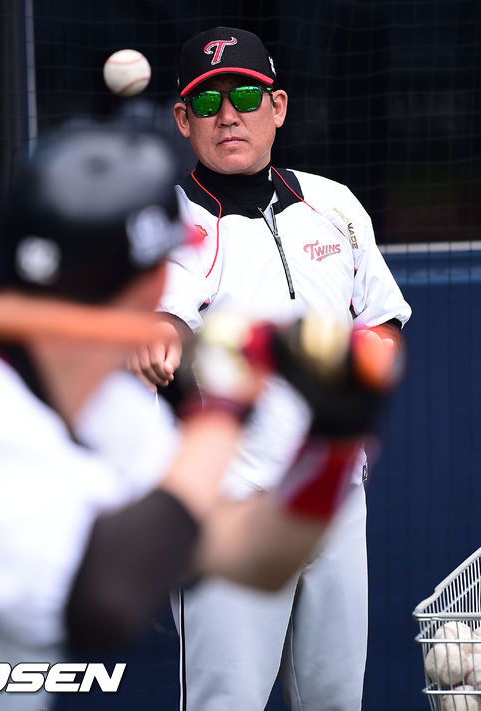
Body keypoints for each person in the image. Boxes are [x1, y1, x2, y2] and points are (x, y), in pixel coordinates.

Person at [0, 118, 402, 711]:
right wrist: (226, 408)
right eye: (155, 269)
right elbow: (104, 602)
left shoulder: (119, 416)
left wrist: (332, 445)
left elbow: (251, 556)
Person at [128, 26, 412, 711]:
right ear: (183, 119)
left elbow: (382, 318)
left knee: (336, 701)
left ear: (277, 107)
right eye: (208, 102)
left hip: (333, 501)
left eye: (247, 96)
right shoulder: (163, 223)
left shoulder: (333, 204)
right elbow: (164, 316)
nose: (229, 115)